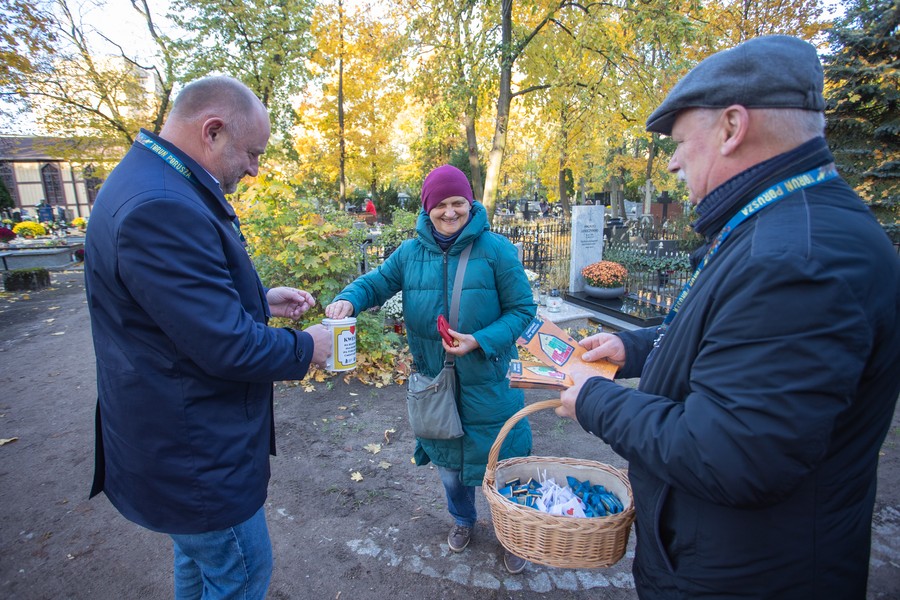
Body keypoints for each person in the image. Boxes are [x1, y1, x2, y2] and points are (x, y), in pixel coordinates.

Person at [556, 35, 900, 599]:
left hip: (747, 575)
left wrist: (597, 400)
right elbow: (730, 337)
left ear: (732, 128)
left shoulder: (793, 261)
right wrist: (637, 348)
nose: (671, 160)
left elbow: (732, 454)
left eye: (681, 141)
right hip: (730, 557)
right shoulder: (782, 226)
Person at [84, 75, 332, 600]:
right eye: (252, 153)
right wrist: (309, 347)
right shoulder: (162, 204)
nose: (255, 168)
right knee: (241, 570)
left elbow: (171, 309)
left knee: (200, 563)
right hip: (192, 455)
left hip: (173, 443)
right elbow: (227, 346)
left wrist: (258, 302)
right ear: (213, 131)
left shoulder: (152, 179)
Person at [324, 165, 536, 574]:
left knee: (505, 465)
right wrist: (348, 300)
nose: (450, 212)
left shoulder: (496, 250)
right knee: (449, 467)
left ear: (470, 203)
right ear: (428, 207)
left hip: (488, 381)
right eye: (440, 204)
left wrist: (480, 340)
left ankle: (515, 534)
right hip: (435, 384)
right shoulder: (410, 253)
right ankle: (462, 520)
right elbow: (374, 283)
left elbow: (523, 310)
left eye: (458, 203)